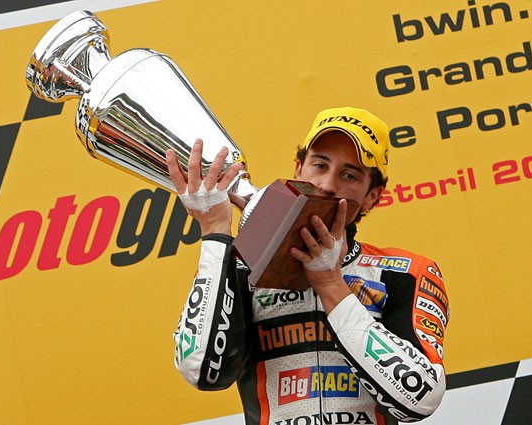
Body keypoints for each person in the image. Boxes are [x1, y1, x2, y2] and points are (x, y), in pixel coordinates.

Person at [168, 107, 449, 425]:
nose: (328, 185)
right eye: (319, 165)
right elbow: (203, 371)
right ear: (299, 169)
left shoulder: (404, 271)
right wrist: (215, 232)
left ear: (372, 196)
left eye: (349, 175)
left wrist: (331, 284)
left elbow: (420, 399)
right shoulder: (240, 268)